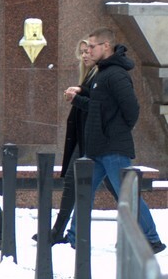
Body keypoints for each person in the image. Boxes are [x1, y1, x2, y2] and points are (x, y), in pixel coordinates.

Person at [66, 28, 164, 253]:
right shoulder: (103, 73)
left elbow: (132, 109)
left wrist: (117, 131)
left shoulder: (116, 74)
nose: (88, 51)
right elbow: (99, 107)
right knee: (85, 192)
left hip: (112, 148)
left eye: (92, 46)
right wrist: (80, 95)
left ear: (106, 46)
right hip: (98, 147)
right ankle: (75, 236)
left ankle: (151, 238)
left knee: (127, 194)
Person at [41, 39, 115, 246]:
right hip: (85, 138)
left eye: (89, 51)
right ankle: (65, 232)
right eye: (82, 52)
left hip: (97, 141)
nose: (85, 55)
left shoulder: (103, 74)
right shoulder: (90, 75)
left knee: (116, 187)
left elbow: (98, 107)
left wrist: (77, 97)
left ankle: (144, 233)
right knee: (79, 185)